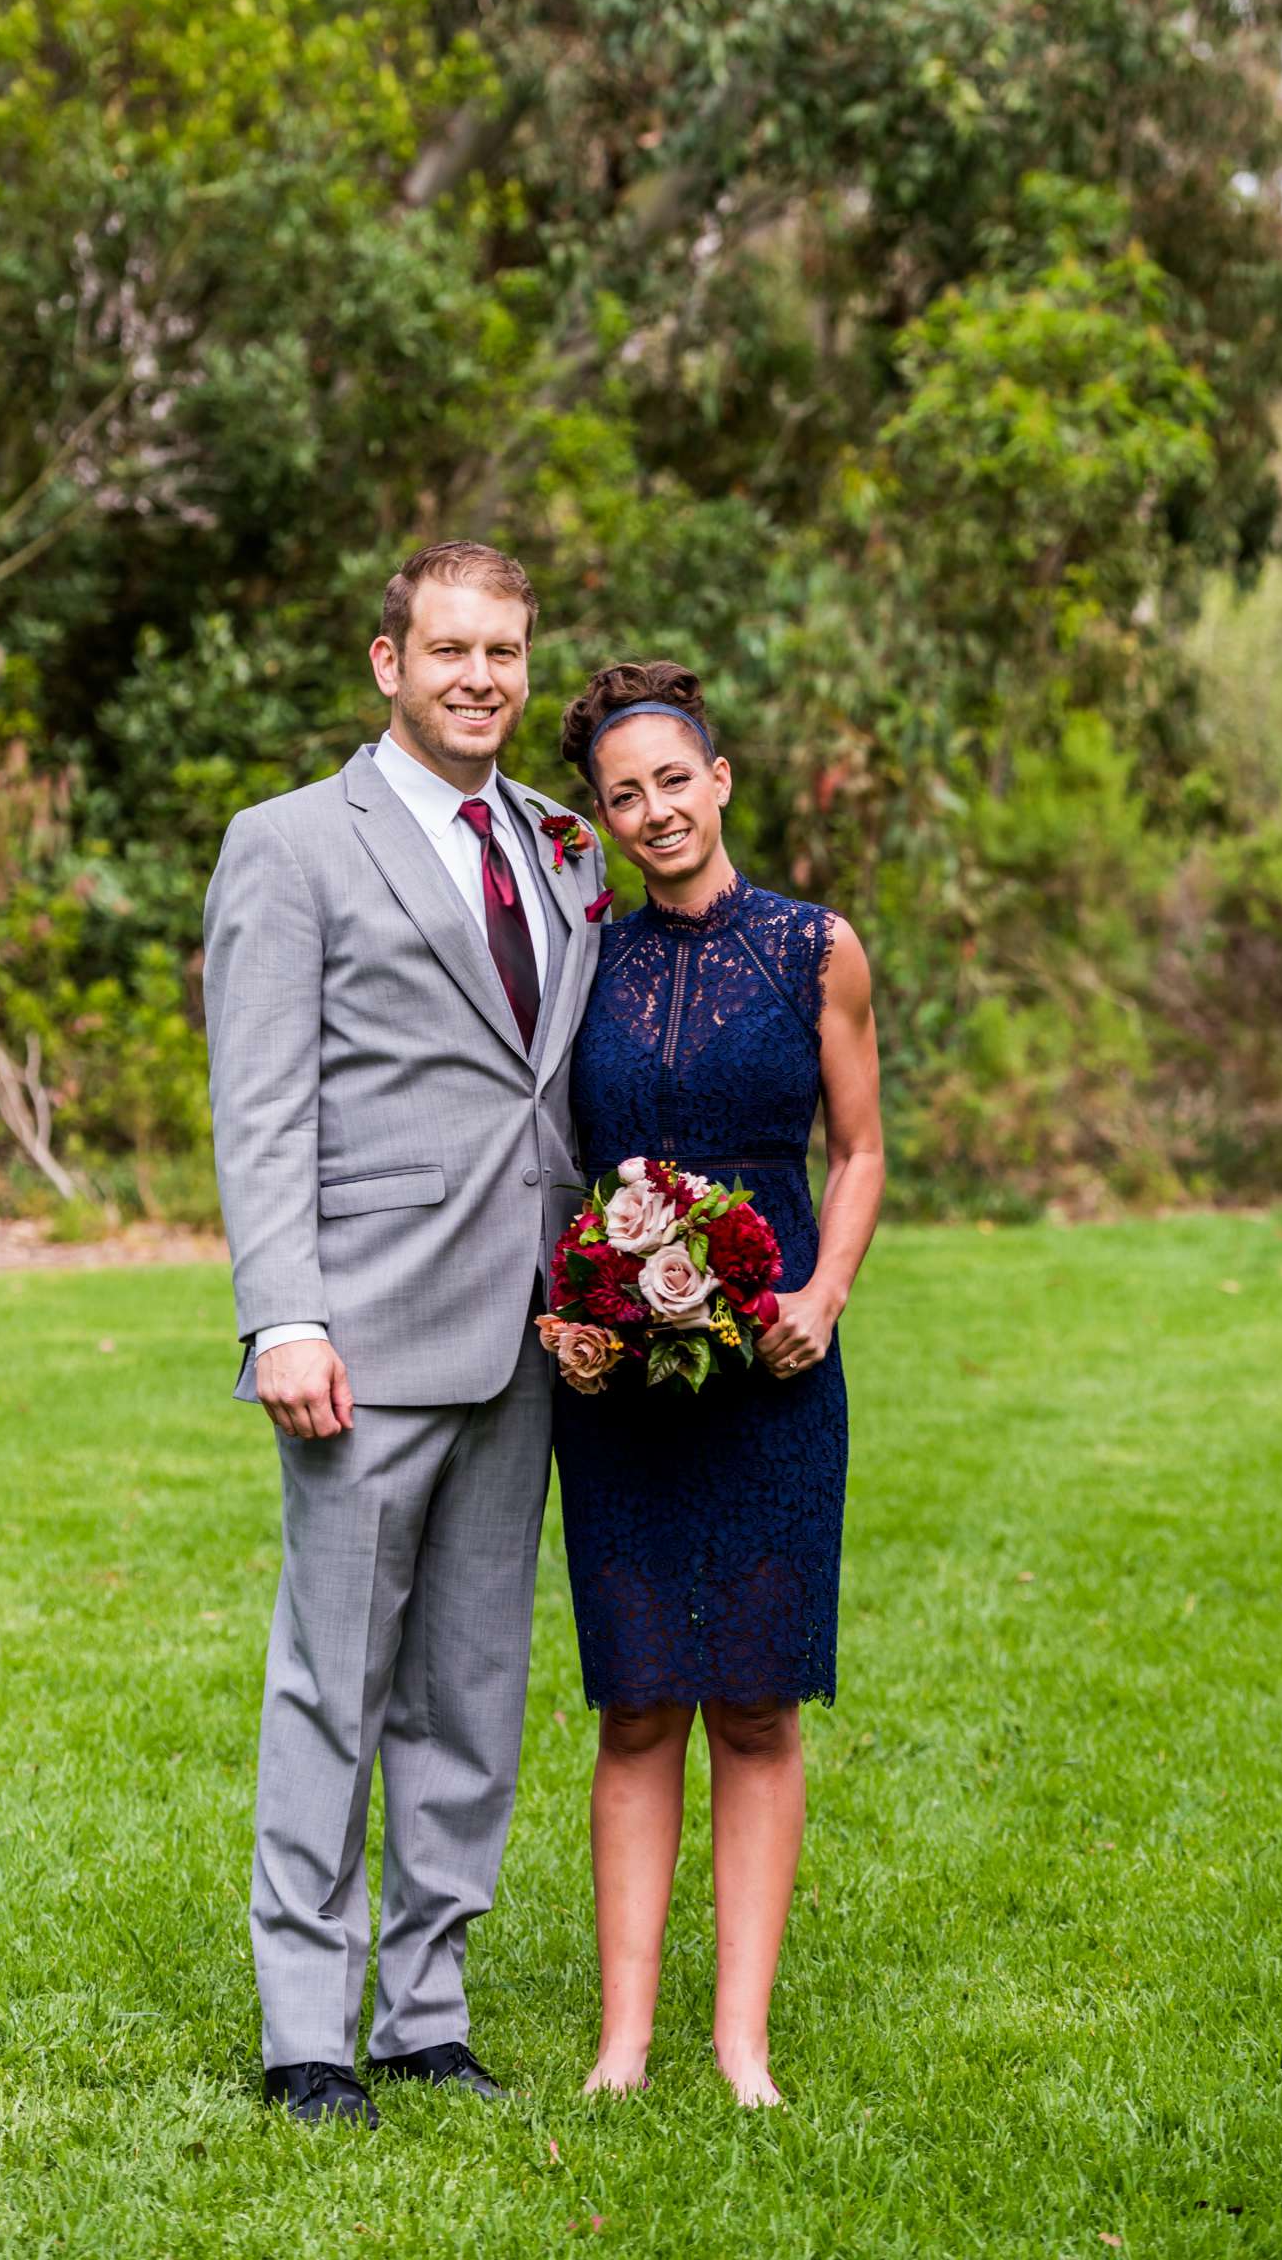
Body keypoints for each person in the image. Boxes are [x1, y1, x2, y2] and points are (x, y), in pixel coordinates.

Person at [202, 541, 607, 2130]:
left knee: (474, 1682)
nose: (481, 678)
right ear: (389, 663)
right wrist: (284, 1314)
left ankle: (425, 2009)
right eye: (449, 649)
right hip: (359, 1338)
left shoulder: (561, 847)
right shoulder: (292, 844)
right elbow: (261, 1100)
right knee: (334, 1682)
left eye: (505, 652)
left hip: (530, 1337)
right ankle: (309, 2030)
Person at [551, 660, 884, 2108]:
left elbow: (862, 1150)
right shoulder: (589, 960)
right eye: (624, 796)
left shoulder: (817, 947)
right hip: (618, 1382)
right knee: (636, 1706)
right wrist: (562, 1314)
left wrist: (823, 1294)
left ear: (722, 778)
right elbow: (550, 1167)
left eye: (672, 780)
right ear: (607, 819)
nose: (653, 811)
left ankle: (737, 2041)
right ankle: (623, 2044)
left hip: (774, 1371)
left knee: (756, 1703)